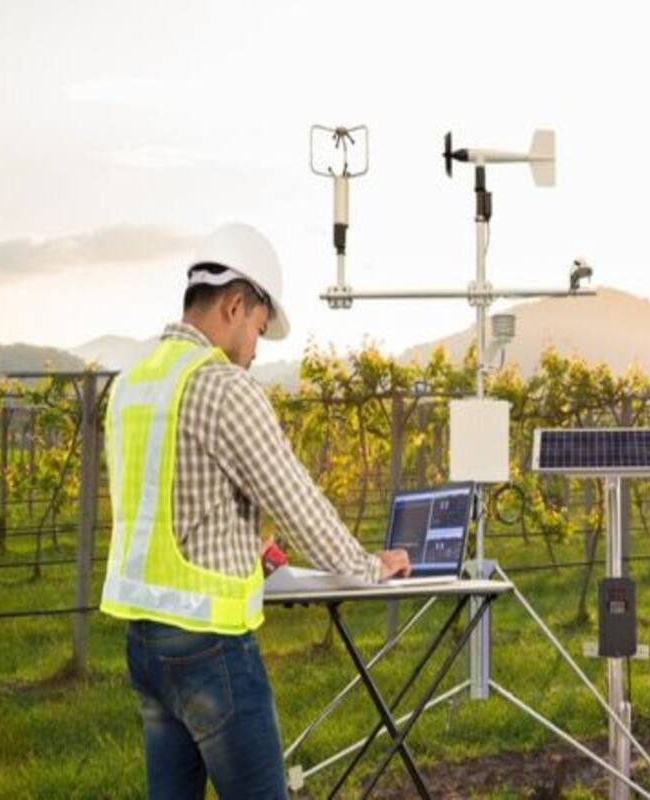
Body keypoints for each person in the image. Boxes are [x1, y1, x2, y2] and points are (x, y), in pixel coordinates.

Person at [99, 222, 411, 799]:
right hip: (210, 645)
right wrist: (370, 566)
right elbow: (299, 505)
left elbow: (165, 503)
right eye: (260, 330)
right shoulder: (223, 387)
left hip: (145, 643)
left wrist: (250, 547)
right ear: (236, 305)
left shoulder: (131, 385)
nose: (256, 349)